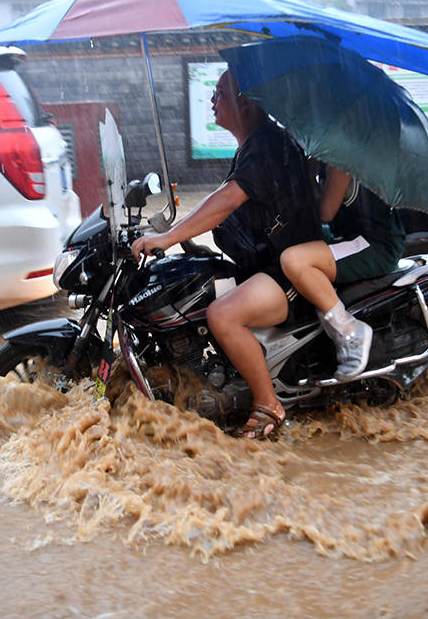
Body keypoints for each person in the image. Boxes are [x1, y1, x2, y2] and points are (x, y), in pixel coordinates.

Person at [131, 70, 321, 440]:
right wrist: (179, 235)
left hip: (288, 271)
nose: (212, 102)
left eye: (219, 94)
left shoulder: (266, 145)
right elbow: (218, 202)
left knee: (222, 314)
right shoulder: (253, 145)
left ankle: (268, 404)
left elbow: (226, 201)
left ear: (245, 103)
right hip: (263, 264)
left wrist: (169, 237)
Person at [279, 165, 406, 381]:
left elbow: (325, 212)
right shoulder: (327, 160)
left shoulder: (340, 163)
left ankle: (349, 331)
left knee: (293, 260)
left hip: (374, 244)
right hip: (350, 237)